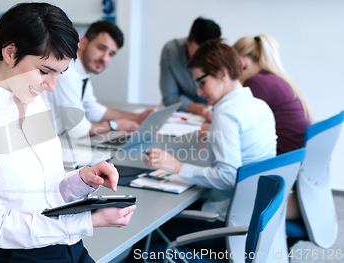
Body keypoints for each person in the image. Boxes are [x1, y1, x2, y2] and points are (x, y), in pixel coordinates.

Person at [0, 3, 136, 263]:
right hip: (15, 256)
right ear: (10, 51)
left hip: (67, 245)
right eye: (44, 71)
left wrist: (80, 180)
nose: (51, 86)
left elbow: (45, 191)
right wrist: (88, 220)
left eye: (59, 74)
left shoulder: (31, 97)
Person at [130, 39, 277, 260]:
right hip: (253, 221)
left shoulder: (226, 113)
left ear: (222, 74)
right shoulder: (260, 106)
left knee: (146, 231)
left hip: (223, 226)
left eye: (202, 82)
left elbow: (228, 176)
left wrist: (176, 166)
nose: (199, 92)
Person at [233, 34, 312, 220]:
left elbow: (242, 131)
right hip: (293, 167)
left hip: (279, 171)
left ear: (241, 63)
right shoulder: (273, 78)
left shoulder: (256, 83)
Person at [48, 20, 154, 138]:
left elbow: (93, 110)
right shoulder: (67, 73)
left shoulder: (81, 73)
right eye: (101, 48)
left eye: (111, 54)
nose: (104, 58)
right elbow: (78, 131)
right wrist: (114, 125)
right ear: (83, 43)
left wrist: (137, 118)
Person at [159, 17, 221, 118]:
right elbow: (169, 97)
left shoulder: (224, 57)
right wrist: (201, 109)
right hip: (185, 116)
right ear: (188, 41)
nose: (203, 57)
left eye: (208, 53)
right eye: (198, 52)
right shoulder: (171, 52)